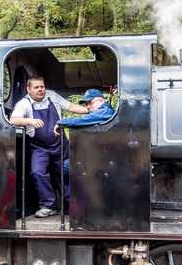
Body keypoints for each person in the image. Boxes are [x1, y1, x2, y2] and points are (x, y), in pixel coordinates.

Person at [10, 76, 89, 218]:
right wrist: (30, 121)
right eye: (36, 87)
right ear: (28, 89)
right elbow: (14, 120)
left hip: (61, 145)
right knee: (37, 172)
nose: (40, 89)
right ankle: (48, 205)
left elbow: (70, 106)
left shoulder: (52, 96)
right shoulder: (24, 103)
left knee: (64, 174)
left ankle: (70, 206)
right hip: (39, 148)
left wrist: (90, 111)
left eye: (42, 86)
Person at [54, 88, 115, 174]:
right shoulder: (102, 112)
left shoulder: (105, 111)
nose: (88, 106)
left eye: (90, 102)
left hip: (102, 155)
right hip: (97, 152)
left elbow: (81, 121)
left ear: (100, 100)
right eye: (86, 104)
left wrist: (60, 123)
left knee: (63, 167)